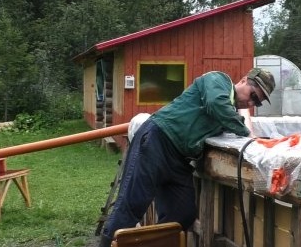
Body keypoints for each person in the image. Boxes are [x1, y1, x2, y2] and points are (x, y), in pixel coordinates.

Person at [99, 68, 276, 246]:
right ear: (244, 80)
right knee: (131, 205)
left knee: (182, 213)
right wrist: (248, 135)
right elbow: (216, 104)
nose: (251, 103)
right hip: (156, 141)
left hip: (179, 159)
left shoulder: (230, 112)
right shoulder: (218, 80)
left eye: (257, 103)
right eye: (253, 96)